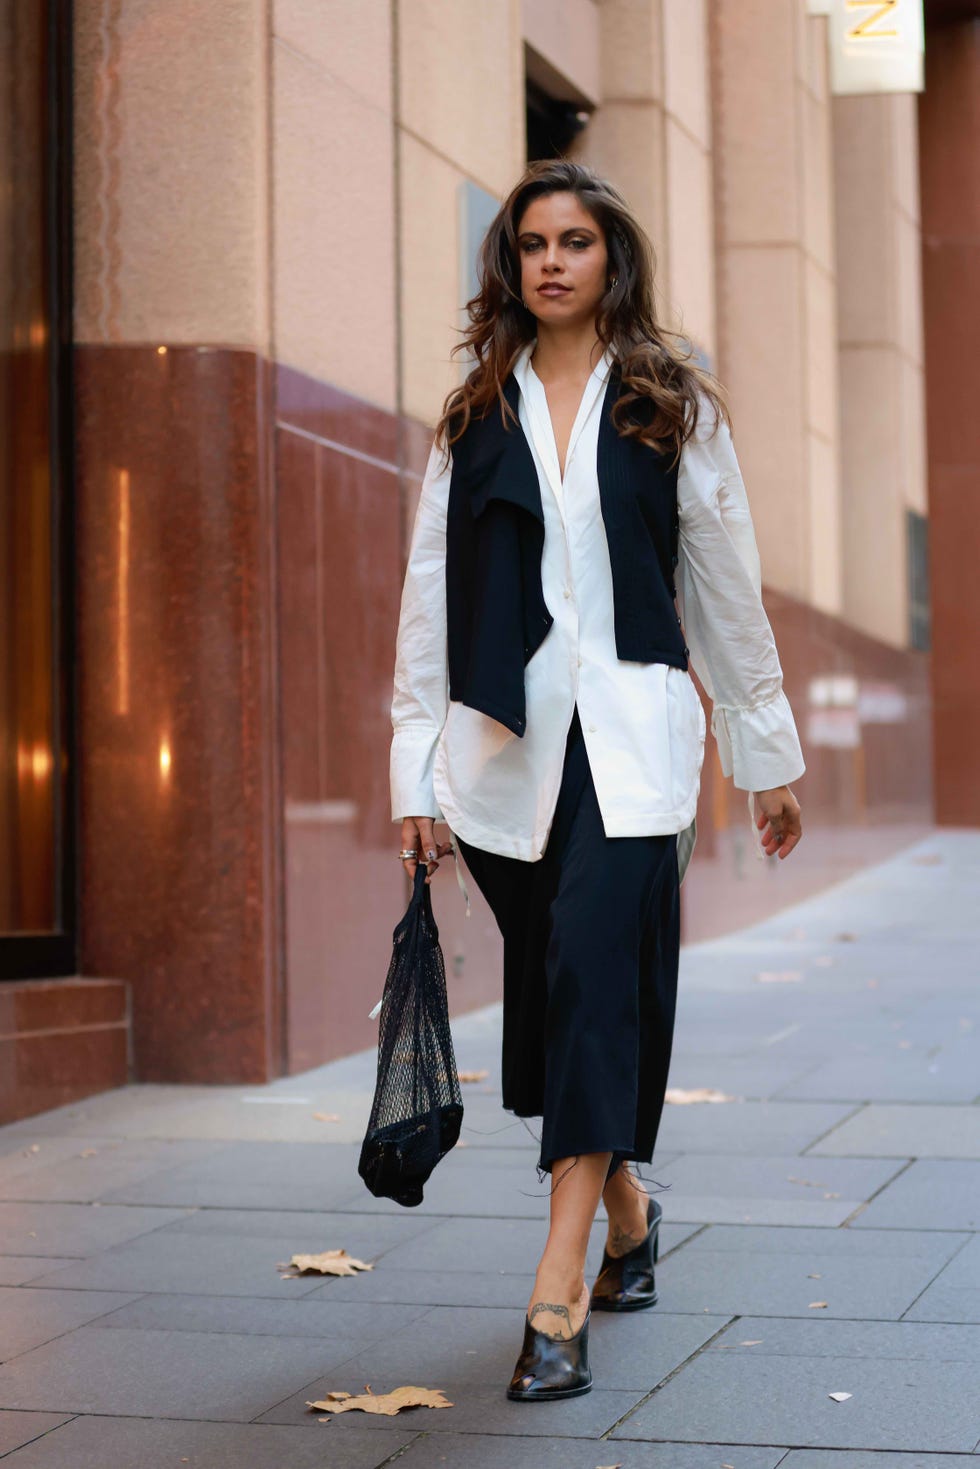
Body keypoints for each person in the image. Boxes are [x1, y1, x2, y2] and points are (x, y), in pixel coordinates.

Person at [388, 159, 805, 1402]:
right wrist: (413, 769)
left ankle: (556, 1284)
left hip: (632, 751)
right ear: (510, 266)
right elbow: (427, 603)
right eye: (531, 244)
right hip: (509, 760)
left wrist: (763, 753)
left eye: (575, 240)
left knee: (590, 973)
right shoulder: (473, 418)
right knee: (561, 997)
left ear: (611, 259)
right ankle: (626, 1211)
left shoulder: (667, 405)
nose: (552, 260)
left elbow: (722, 579)